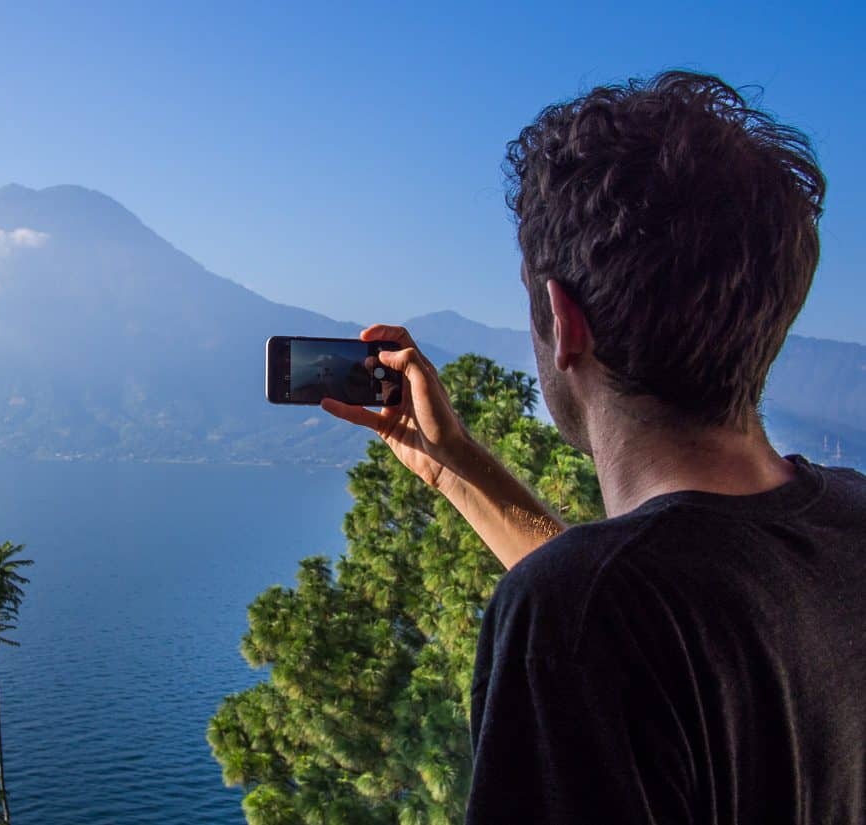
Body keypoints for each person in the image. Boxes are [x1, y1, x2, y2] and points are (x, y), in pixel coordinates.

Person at [322, 70, 865, 824]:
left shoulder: (576, 619)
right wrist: (455, 467)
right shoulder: (847, 522)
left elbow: (615, 609)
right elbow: (657, 603)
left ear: (563, 321)